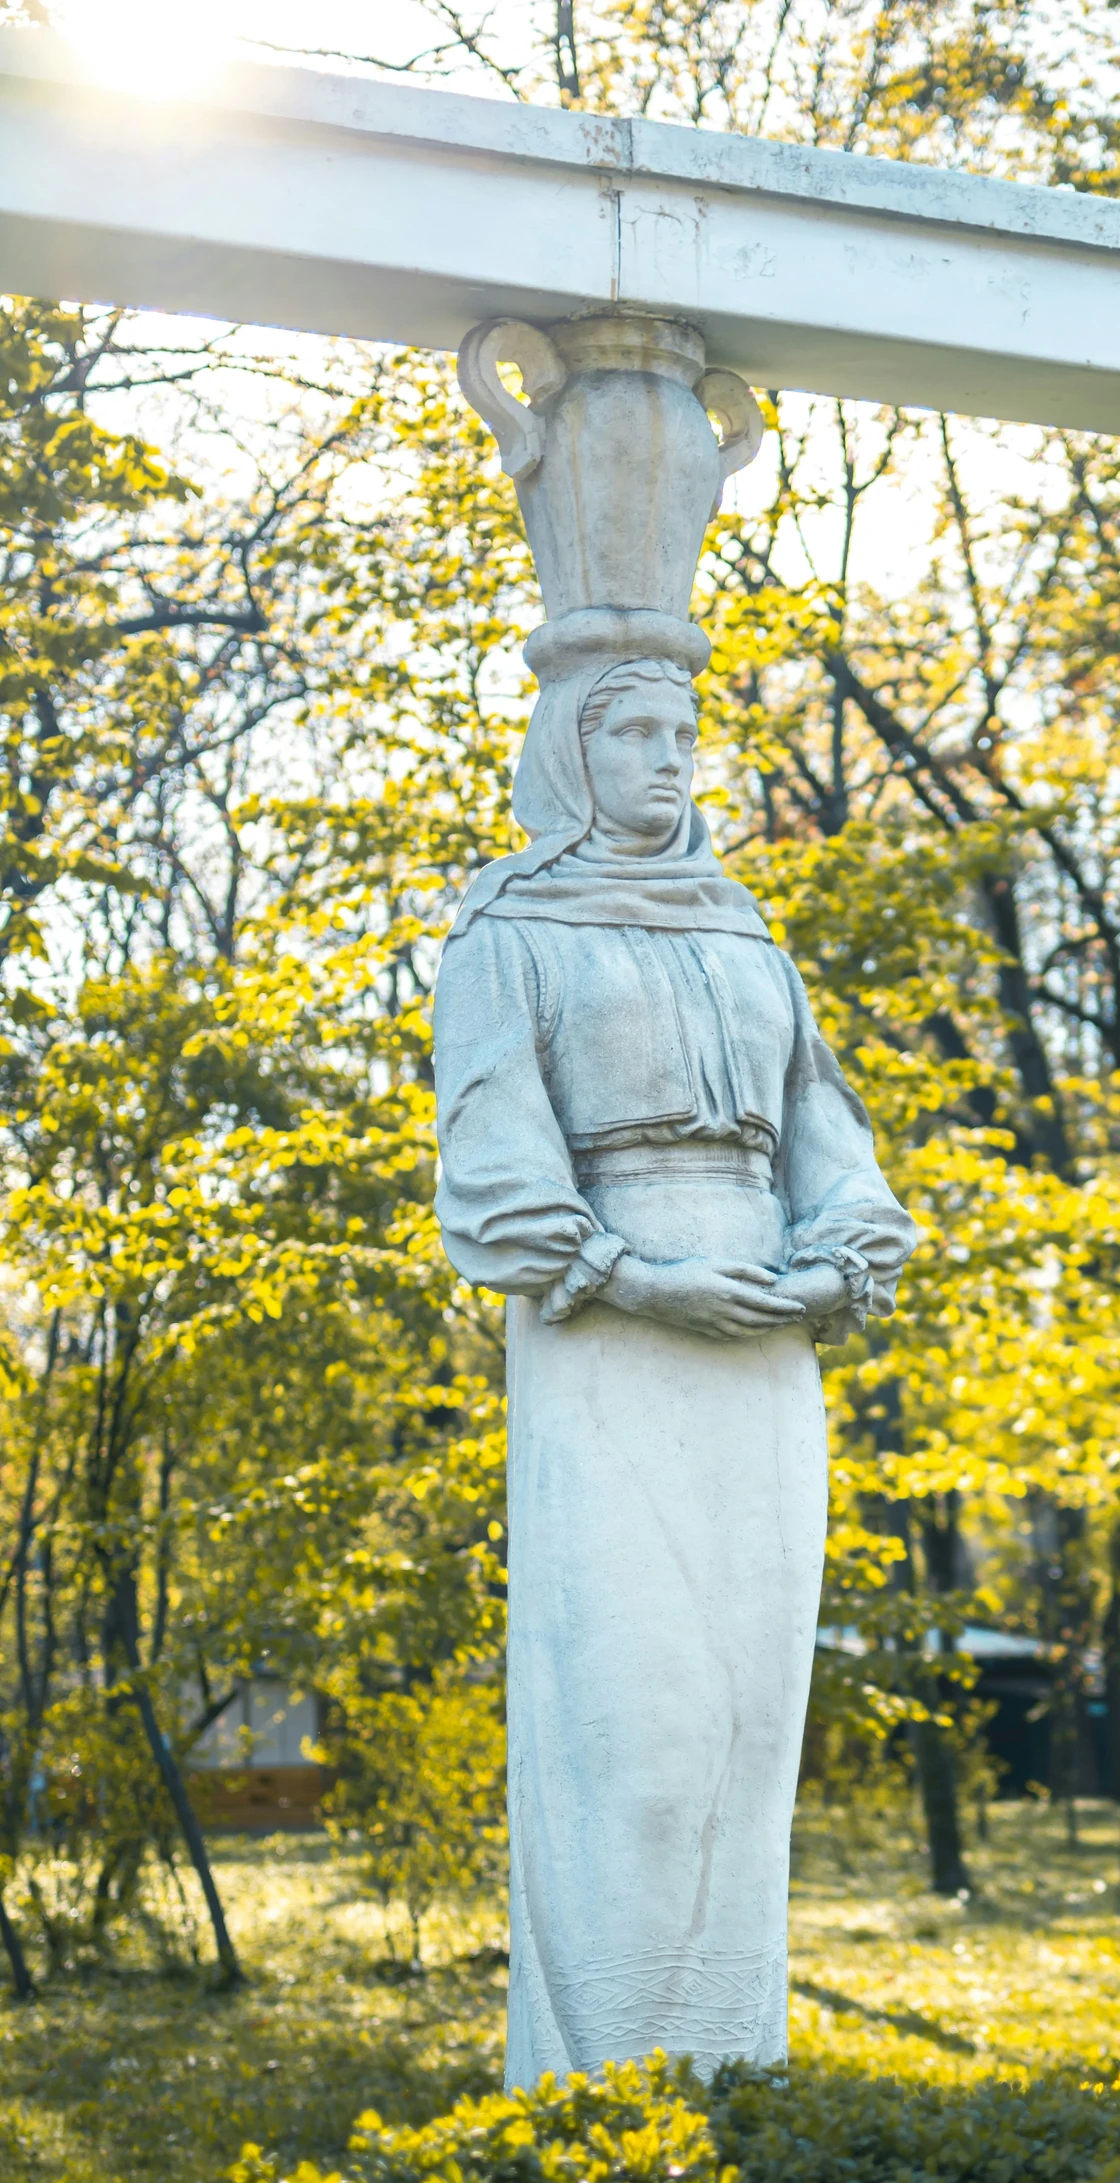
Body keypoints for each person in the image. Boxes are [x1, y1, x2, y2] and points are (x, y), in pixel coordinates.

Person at [433, 649, 915, 2086]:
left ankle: (733, 2090)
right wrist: (643, 1281)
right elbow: (495, 1170)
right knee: (634, 1724)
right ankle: (603, 2098)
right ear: (567, 756)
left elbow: (832, 1143)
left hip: (763, 1352)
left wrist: (832, 1267)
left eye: (682, 732)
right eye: (632, 730)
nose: (666, 757)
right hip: (610, 1351)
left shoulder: (749, 939)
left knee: (745, 1735)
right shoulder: (509, 934)